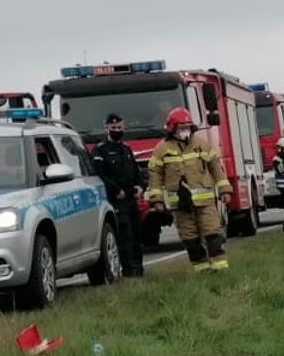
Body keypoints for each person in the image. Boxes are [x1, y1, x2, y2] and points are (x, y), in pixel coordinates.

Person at [145, 108, 231, 272]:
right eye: (181, 127)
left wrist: (225, 190)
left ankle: (221, 270)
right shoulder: (161, 150)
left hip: (205, 202)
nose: (185, 130)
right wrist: (156, 200)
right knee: (190, 240)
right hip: (181, 205)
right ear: (171, 128)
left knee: (213, 234)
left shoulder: (201, 145)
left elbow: (216, 168)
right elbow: (154, 176)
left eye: (187, 127)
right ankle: (202, 271)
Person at [89, 113, 146, 277]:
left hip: (131, 199)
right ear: (106, 127)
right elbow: (100, 175)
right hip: (115, 200)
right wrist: (116, 191)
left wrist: (140, 186)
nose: (116, 130)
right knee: (124, 236)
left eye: (119, 128)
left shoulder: (126, 149)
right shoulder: (100, 150)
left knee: (137, 235)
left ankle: (139, 270)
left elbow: (137, 173)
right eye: (113, 128)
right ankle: (129, 271)